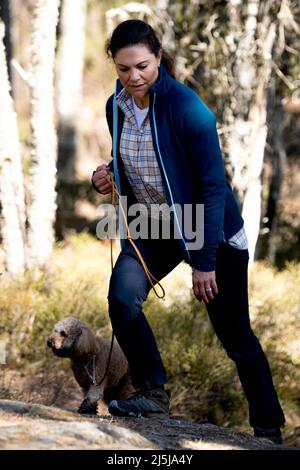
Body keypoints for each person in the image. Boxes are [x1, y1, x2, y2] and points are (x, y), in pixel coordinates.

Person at [92, 19, 285, 443]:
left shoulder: (188, 109)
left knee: (235, 336)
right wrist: (106, 176)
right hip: (156, 226)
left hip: (209, 228)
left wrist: (204, 260)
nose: (134, 77)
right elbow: (135, 164)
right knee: (122, 299)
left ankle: (268, 429)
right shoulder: (116, 107)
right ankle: (152, 391)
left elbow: (212, 186)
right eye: (124, 69)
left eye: (142, 66)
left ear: (158, 58)